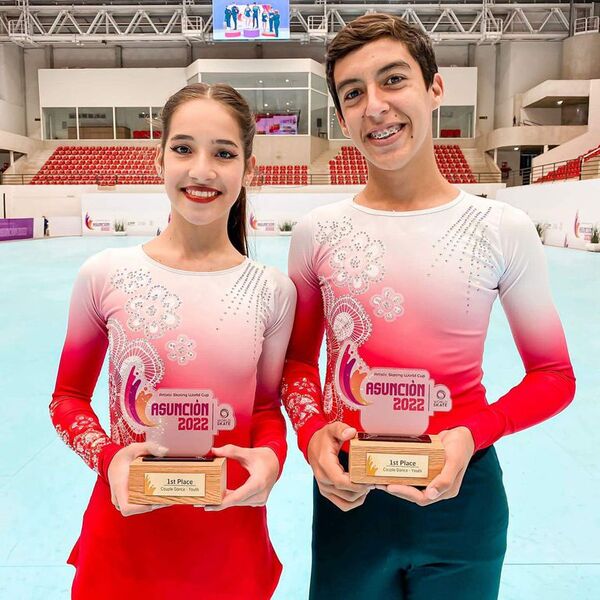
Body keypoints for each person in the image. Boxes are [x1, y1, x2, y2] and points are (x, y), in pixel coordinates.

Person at [281, 13, 575, 600]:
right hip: (350, 499)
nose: (376, 106)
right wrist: (313, 433)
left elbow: (554, 377)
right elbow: (295, 367)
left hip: (463, 500)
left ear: (434, 88)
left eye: (393, 80)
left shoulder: (500, 228)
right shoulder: (318, 233)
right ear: (341, 116)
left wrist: (472, 432)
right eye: (353, 93)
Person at [50, 82, 296, 599]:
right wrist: (108, 457)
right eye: (183, 148)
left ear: (249, 169)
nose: (202, 170)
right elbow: (67, 401)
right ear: (158, 159)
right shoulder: (105, 275)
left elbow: (268, 408)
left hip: (226, 541)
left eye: (224, 153)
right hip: (126, 537)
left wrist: (273, 458)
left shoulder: (272, 291)